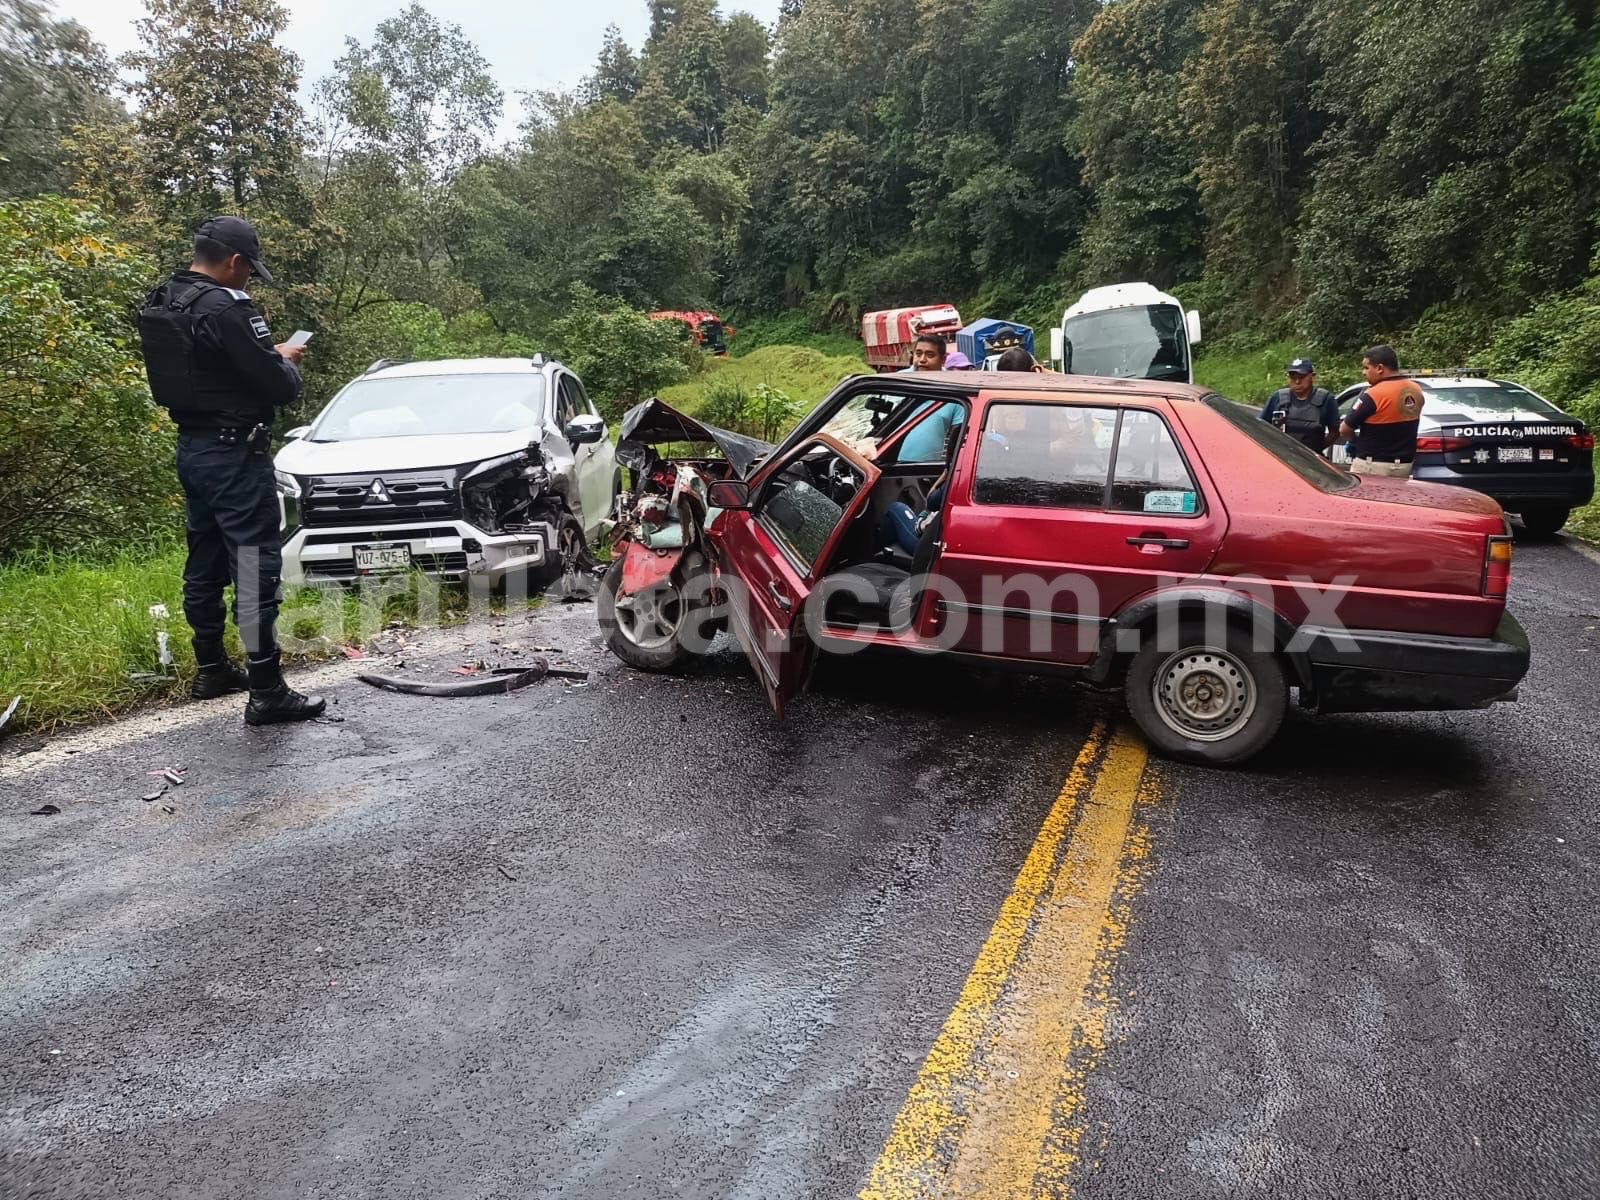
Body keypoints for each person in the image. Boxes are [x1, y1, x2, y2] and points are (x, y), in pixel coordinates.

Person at [137, 216, 325, 725]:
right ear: (235, 261)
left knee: (204, 558)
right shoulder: (227, 307)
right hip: (236, 454)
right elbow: (279, 386)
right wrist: (283, 358)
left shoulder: (165, 298)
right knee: (253, 565)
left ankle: (212, 669)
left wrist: (266, 355)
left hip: (193, 450)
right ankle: (266, 691)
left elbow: (206, 369)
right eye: (249, 271)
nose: (249, 281)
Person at [1339, 344, 1425, 478]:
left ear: (1379, 368)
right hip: (1404, 466)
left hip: (1373, 465)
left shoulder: (1373, 394)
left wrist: (1354, 441)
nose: (1363, 372)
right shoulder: (1416, 389)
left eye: (1366, 367)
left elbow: (1345, 429)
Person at [898, 334, 964, 460]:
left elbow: (959, 437)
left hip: (927, 470)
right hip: (887, 466)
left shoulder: (955, 389)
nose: (922, 360)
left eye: (930, 355)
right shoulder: (896, 382)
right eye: (918, 354)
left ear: (943, 359)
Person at [1260, 357, 1339, 455]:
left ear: (1312, 376)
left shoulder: (1326, 399)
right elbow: (1260, 426)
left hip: (1311, 460)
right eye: (1293, 377)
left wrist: (1318, 449)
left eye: (1301, 377)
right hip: (1281, 457)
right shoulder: (1277, 398)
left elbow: (1335, 431)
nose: (1297, 382)